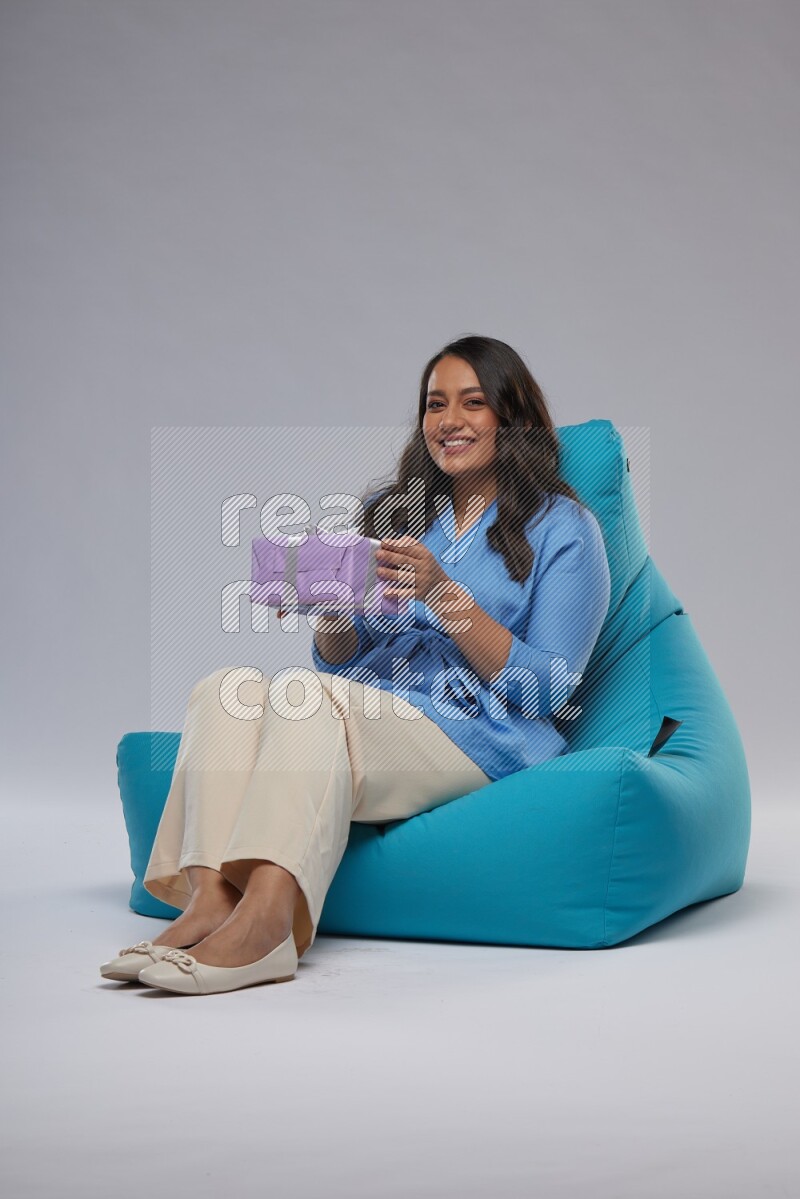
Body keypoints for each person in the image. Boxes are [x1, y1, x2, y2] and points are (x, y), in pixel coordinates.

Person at [99, 334, 611, 995]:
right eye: (435, 404)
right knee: (226, 688)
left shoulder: (565, 528)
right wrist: (329, 609)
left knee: (306, 696)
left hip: (480, 733)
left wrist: (444, 595)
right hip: (376, 714)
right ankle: (209, 903)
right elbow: (344, 661)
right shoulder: (400, 515)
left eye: (472, 402)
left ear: (511, 417)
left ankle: (266, 927)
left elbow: (548, 688)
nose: (448, 420)